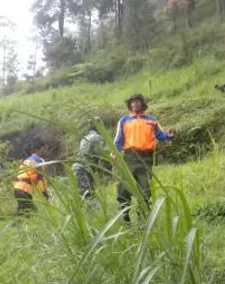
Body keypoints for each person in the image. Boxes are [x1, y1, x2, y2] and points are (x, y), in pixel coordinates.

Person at [113, 93, 176, 223]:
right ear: (129, 105)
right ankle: (126, 221)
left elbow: (161, 135)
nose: (135, 104)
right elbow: (118, 140)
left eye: (138, 101)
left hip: (145, 159)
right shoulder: (124, 120)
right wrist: (115, 153)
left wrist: (169, 136)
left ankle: (143, 221)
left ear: (143, 104)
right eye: (132, 102)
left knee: (145, 191)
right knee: (123, 190)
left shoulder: (152, 120)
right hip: (129, 158)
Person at [72, 118, 110, 202]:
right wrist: (109, 170)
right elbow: (102, 154)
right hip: (85, 169)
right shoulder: (97, 138)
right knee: (88, 196)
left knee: (83, 195)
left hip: (78, 167)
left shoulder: (85, 138)